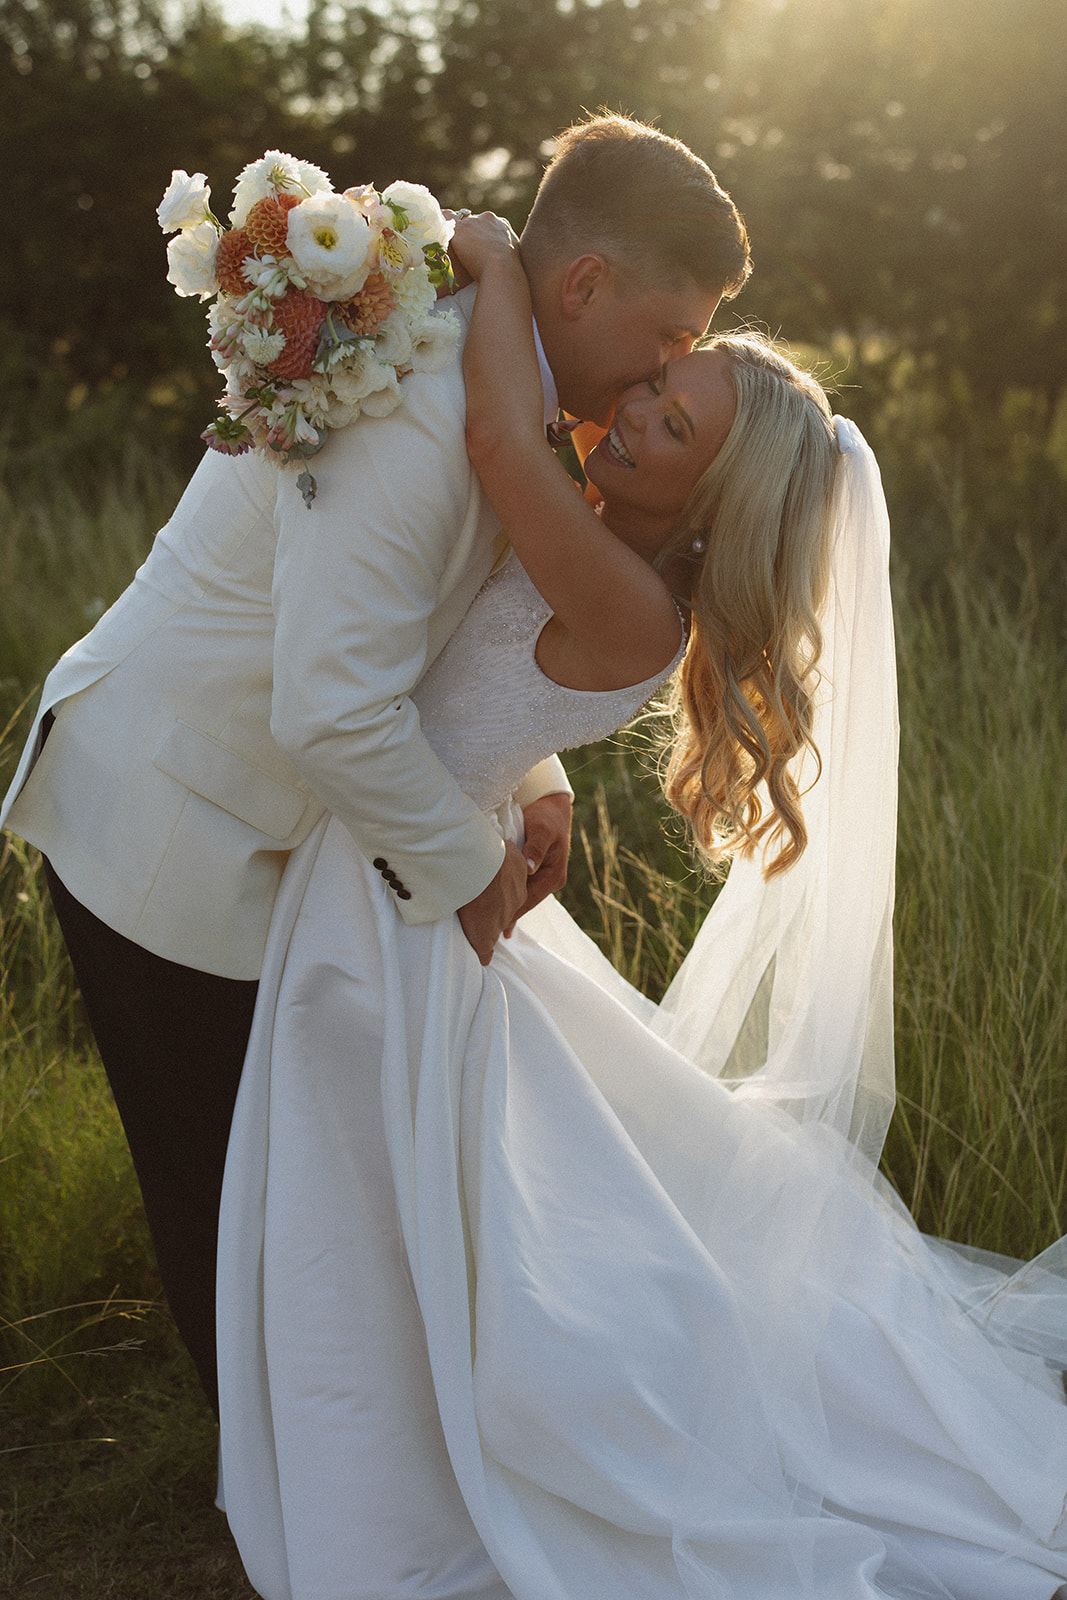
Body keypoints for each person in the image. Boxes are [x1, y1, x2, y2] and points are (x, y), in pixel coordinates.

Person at [213, 216, 1067, 1600]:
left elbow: (500, 443)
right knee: (389, 1194)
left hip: (409, 888)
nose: (633, 419)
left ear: (720, 495)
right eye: (660, 391)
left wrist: (495, 266)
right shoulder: (608, 546)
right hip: (429, 853)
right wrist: (533, 783)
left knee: (375, 1182)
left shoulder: (630, 603)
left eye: (674, 427)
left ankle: (391, 1460)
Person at [0, 116, 751, 1415]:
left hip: (255, 825)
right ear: (583, 287)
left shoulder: (488, 381)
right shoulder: (421, 405)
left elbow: (441, 629)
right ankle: (272, 1506)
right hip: (168, 815)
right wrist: (468, 870)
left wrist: (536, 783)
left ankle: (316, 1461)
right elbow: (337, 711)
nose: (657, 376)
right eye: (672, 337)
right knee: (225, 1191)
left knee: (288, 1191)